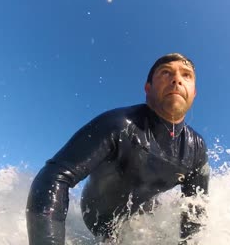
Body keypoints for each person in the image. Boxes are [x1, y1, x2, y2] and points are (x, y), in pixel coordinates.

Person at [26, 53, 210, 244]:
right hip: (99, 221)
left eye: (186, 75)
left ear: (194, 92)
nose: (177, 80)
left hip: (143, 221)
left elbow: (196, 210)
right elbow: (53, 176)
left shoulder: (196, 149)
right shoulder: (119, 125)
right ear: (148, 88)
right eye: (166, 73)